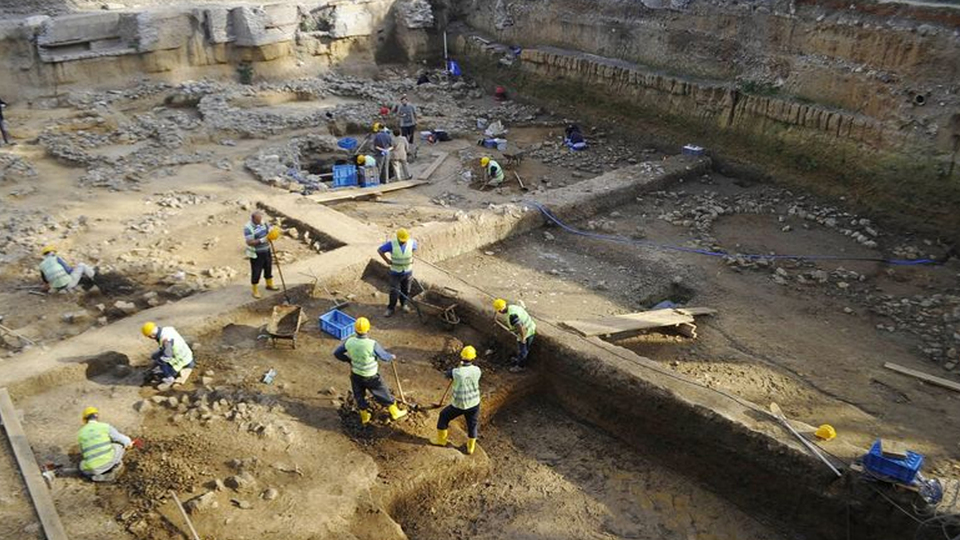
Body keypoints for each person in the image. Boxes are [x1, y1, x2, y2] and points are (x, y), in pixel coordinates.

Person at [333, 317, 408, 425]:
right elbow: (384, 357)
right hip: (371, 376)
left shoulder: (349, 342)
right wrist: (391, 356)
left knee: (359, 395)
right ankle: (395, 412)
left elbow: (337, 353)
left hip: (356, 375)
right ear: (368, 330)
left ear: (355, 330)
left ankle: (365, 416)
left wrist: (348, 360)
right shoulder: (372, 344)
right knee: (383, 392)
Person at [431, 345, 482, 455]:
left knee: (443, 416)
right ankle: (470, 447)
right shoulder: (477, 370)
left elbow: (447, 374)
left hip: (460, 404)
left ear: (461, 357)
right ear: (474, 358)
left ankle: (441, 441)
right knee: (472, 425)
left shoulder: (457, 372)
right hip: (474, 403)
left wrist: (458, 368)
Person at [77, 406, 132, 482]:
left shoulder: (80, 433)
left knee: (81, 465)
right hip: (107, 462)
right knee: (118, 446)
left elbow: (83, 453)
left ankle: (96, 476)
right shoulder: (105, 426)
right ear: (97, 417)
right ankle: (115, 467)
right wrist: (129, 444)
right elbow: (123, 439)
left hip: (92, 469)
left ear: (85, 419)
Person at [142, 321, 195, 390]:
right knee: (155, 356)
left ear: (152, 335)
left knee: (157, 370)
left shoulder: (165, 340)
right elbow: (168, 348)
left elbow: (167, 356)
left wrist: (157, 363)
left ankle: (169, 378)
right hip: (188, 356)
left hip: (182, 362)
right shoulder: (168, 329)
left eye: (149, 337)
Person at [377, 229, 417, 317]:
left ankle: (403, 305)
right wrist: (387, 260)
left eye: (404, 240)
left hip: (407, 271)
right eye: (401, 240)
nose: (403, 242)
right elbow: (380, 250)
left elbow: (414, 249)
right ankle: (391, 308)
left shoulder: (412, 242)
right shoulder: (392, 244)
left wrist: (411, 257)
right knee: (394, 291)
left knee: (406, 290)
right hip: (395, 272)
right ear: (398, 238)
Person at [244, 210, 280, 298]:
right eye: (258, 220)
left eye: (260, 219)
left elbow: (269, 229)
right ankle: (255, 290)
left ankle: (269, 284)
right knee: (257, 271)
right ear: (253, 219)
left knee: (268, 267)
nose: (260, 221)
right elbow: (250, 242)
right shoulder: (248, 228)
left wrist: (272, 231)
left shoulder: (262, 222)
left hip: (266, 250)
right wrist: (263, 239)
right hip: (256, 253)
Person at [493, 298, 536, 372]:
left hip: (526, 332)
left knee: (523, 350)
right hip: (530, 326)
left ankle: (520, 366)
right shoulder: (512, 307)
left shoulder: (512, 316)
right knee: (522, 349)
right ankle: (519, 360)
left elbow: (520, 327)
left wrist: (523, 338)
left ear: (500, 310)